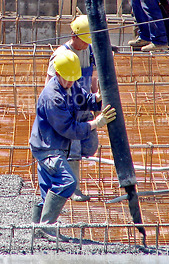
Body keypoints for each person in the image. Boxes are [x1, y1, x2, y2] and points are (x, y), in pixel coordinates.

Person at [30, 50, 116, 241]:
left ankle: (37, 229)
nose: (70, 83)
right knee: (67, 182)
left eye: (72, 79)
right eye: (66, 79)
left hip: (52, 145)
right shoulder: (52, 97)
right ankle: (46, 227)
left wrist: (98, 98)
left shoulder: (70, 85)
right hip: (47, 148)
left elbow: (83, 99)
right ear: (57, 73)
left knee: (49, 190)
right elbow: (68, 129)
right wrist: (95, 124)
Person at [45, 15, 98, 202]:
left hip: (84, 106)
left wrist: (96, 101)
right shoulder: (61, 55)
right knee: (73, 150)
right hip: (68, 110)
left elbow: (92, 77)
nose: (86, 44)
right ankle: (72, 189)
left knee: (90, 147)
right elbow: (50, 84)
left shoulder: (90, 51)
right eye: (84, 40)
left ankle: (61, 173)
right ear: (74, 35)